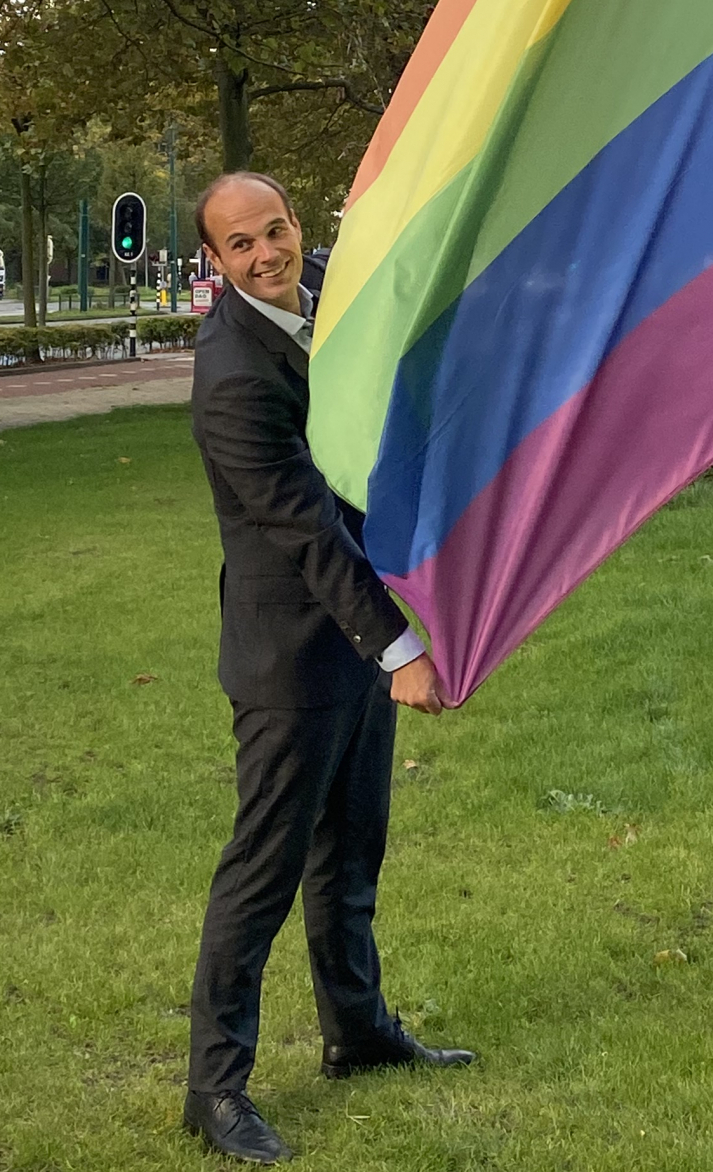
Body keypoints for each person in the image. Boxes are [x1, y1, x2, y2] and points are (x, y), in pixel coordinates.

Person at [182, 171, 472, 1164]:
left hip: (360, 632)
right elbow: (305, 528)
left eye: (277, 230)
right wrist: (398, 648)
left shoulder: (328, 289)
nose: (268, 254)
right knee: (261, 874)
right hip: (291, 657)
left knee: (352, 852)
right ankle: (213, 1086)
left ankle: (357, 1031)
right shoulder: (228, 374)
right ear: (215, 261)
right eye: (242, 244)